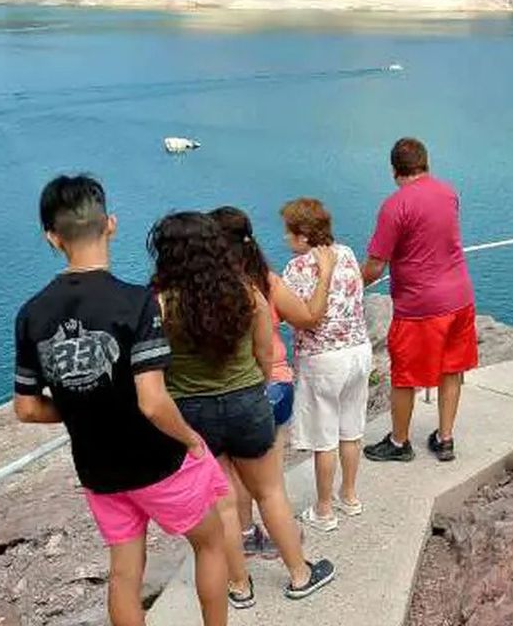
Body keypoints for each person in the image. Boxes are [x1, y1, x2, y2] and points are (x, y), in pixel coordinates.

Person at [13, 176, 228, 626]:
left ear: (52, 238)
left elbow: (28, 408)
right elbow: (152, 403)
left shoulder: (31, 314)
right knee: (210, 542)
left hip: (98, 470)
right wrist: (191, 440)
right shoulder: (135, 303)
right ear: (109, 224)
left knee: (124, 575)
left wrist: (79, 408)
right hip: (158, 461)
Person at [149, 212, 334, 606]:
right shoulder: (246, 290)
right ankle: (300, 574)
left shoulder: (160, 304)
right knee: (270, 493)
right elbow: (265, 353)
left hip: (192, 412)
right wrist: (253, 385)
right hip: (247, 401)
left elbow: (156, 367)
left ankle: (239, 585)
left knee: (223, 504)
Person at [208, 206, 337, 557]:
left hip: (218, 392)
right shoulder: (265, 282)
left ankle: (246, 535)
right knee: (268, 477)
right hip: (271, 384)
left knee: (231, 474)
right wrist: (324, 275)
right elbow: (309, 317)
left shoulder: (201, 290)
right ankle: (285, 547)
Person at [361, 137, 477, 464]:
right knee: (451, 369)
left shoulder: (395, 206)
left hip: (420, 306)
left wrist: (345, 284)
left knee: (404, 376)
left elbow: (374, 266)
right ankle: (445, 438)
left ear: (394, 169)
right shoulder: (449, 193)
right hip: (460, 298)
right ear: (426, 163)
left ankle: (399, 443)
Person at [280, 198, 372, 532]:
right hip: (359, 351)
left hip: (323, 359)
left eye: (289, 233)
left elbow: (295, 313)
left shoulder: (298, 268)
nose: (285, 239)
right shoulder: (346, 253)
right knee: (351, 429)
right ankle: (349, 497)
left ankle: (323, 510)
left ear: (304, 236)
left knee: (325, 437)